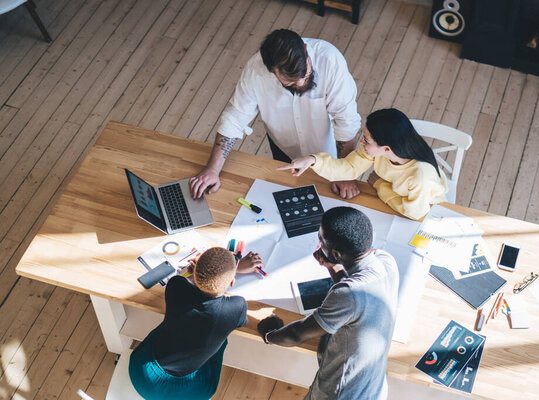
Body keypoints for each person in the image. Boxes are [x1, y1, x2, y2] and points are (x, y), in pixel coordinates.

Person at [189, 29, 362, 200]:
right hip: (283, 146)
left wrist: (343, 174)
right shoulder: (255, 71)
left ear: (306, 49)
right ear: (271, 70)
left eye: (306, 73)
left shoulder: (330, 61)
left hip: (328, 151)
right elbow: (235, 119)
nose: (301, 83)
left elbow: (345, 122)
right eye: (291, 81)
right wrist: (212, 169)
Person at [257, 207, 399, 400]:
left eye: (321, 239)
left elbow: (296, 334)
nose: (318, 243)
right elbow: (353, 293)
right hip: (374, 389)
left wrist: (268, 335)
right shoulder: (386, 260)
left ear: (337, 253)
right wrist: (331, 265)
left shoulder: (348, 293)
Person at [128, 247, 263, 400]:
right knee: (221, 339)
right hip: (191, 393)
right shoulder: (237, 307)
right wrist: (235, 267)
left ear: (195, 270)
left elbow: (187, 280)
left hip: (144, 377)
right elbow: (241, 321)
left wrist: (203, 271)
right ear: (232, 281)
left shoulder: (175, 285)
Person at [277, 108, 448, 220]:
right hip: (396, 196)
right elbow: (346, 169)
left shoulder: (420, 177)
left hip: (427, 209)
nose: (361, 143)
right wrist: (313, 160)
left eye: (366, 140)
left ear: (386, 148)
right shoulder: (378, 153)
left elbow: (414, 212)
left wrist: (380, 185)